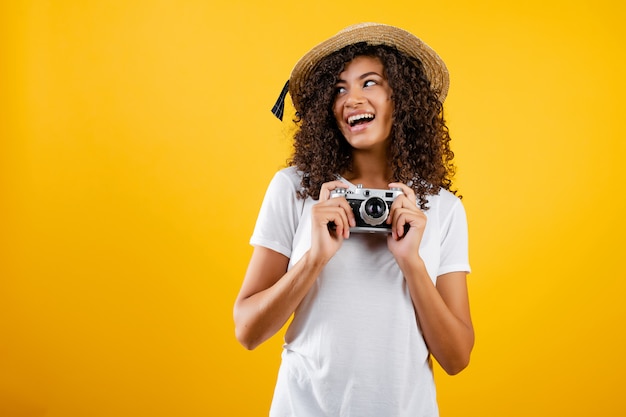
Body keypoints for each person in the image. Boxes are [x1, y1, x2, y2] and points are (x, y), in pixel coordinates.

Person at [234, 22, 474, 417]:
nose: (351, 99)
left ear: (402, 98)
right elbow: (247, 331)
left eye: (369, 83)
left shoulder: (441, 208)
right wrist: (313, 259)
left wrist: (411, 262)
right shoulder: (295, 189)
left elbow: (456, 358)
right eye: (340, 88)